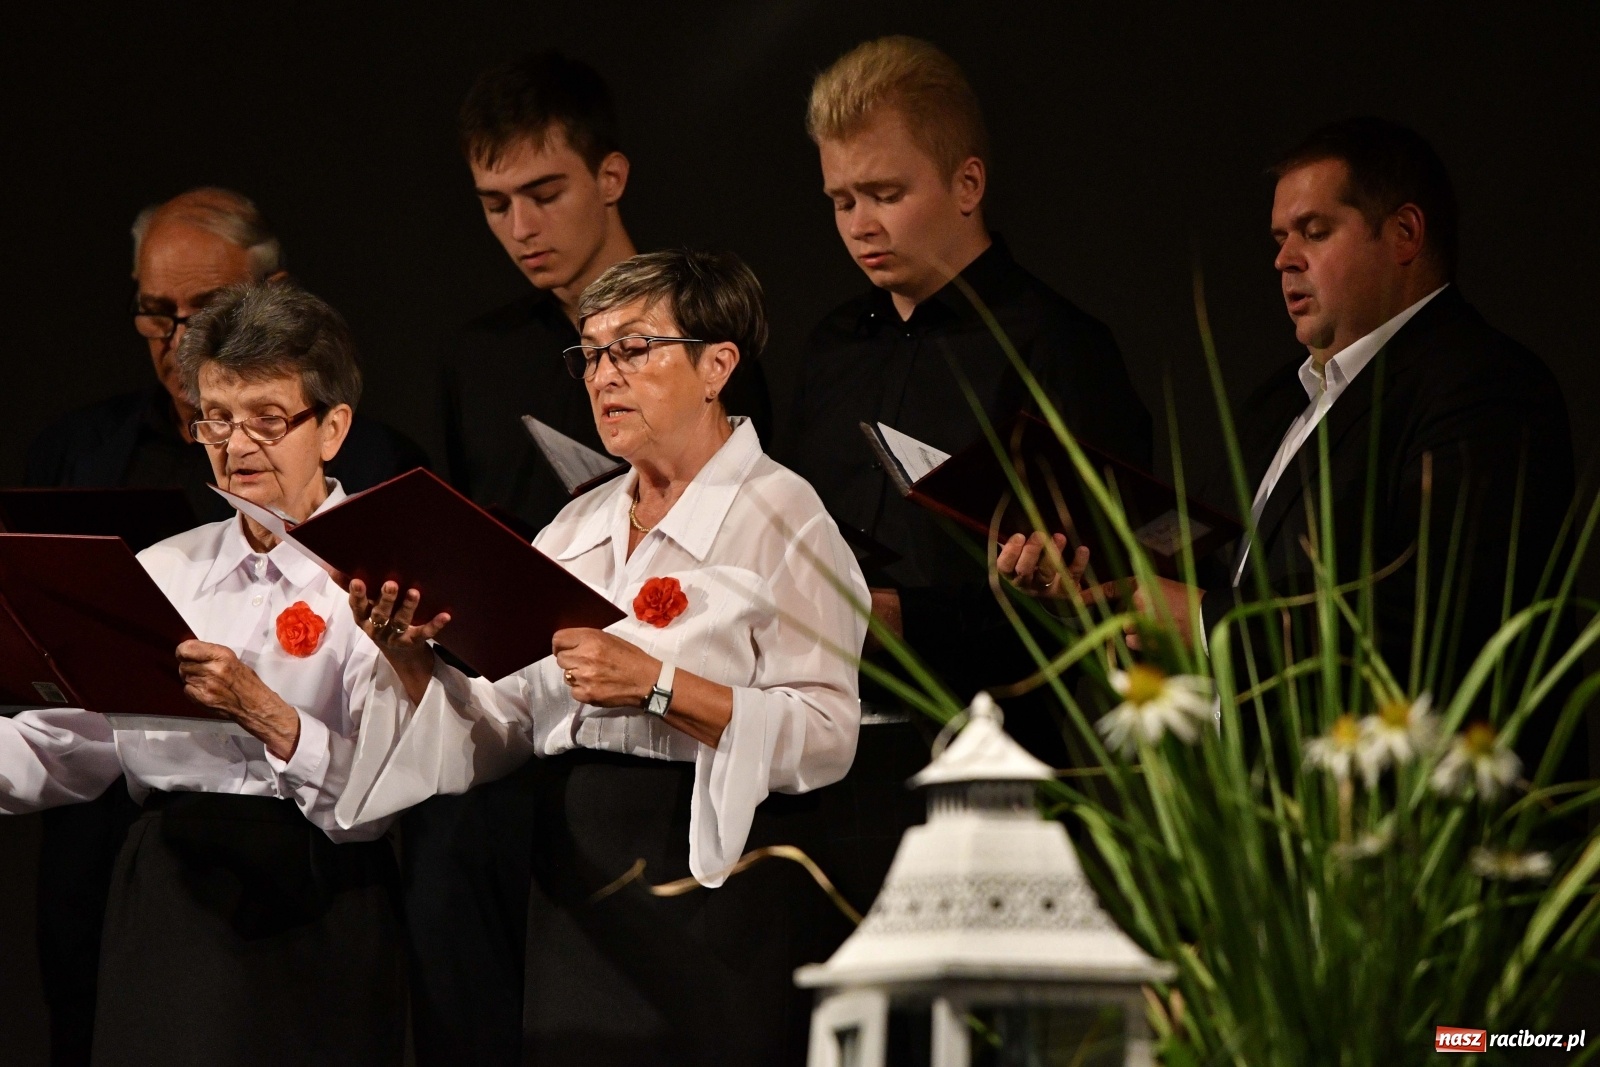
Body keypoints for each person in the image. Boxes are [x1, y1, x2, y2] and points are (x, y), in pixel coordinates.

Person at [220, 249, 867, 1066]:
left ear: (717, 365)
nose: (604, 376)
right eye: (591, 354)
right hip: (574, 880)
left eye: (632, 349)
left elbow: (829, 730)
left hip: (713, 879)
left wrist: (660, 686)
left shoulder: (782, 512)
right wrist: (414, 662)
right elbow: (506, 720)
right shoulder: (576, 526)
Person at [1002, 118, 1577, 771]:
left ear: (1405, 234)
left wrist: (1207, 621)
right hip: (1258, 827)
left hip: (1404, 832)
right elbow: (1210, 570)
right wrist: (1103, 590)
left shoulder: (1487, 386)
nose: (1283, 259)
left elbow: (1436, 622)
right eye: (1280, 238)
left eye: (1315, 231)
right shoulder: (1279, 401)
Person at [414, 53, 775, 1065]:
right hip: (515, 734)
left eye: (544, 194)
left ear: (610, 177)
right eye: (495, 204)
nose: (521, 229)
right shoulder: (478, 357)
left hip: (659, 746)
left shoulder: (697, 327)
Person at [17, 187, 427, 1067]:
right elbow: (65, 745)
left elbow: (378, 801)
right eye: (216, 419)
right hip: (170, 902)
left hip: (320, 901)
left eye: (269, 419)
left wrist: (261, 708)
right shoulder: (168, 571)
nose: (237, 446)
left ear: (334, 427)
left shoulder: (385, 576)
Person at [777, 35, 1152, 904]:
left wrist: (914, 618)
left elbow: (1111, 586)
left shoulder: (1059, 346)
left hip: (990, 765)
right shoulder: (832, 347)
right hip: (823, 757)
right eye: (840, 200)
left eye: (885, 193)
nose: (860, 224)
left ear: (967, 185)